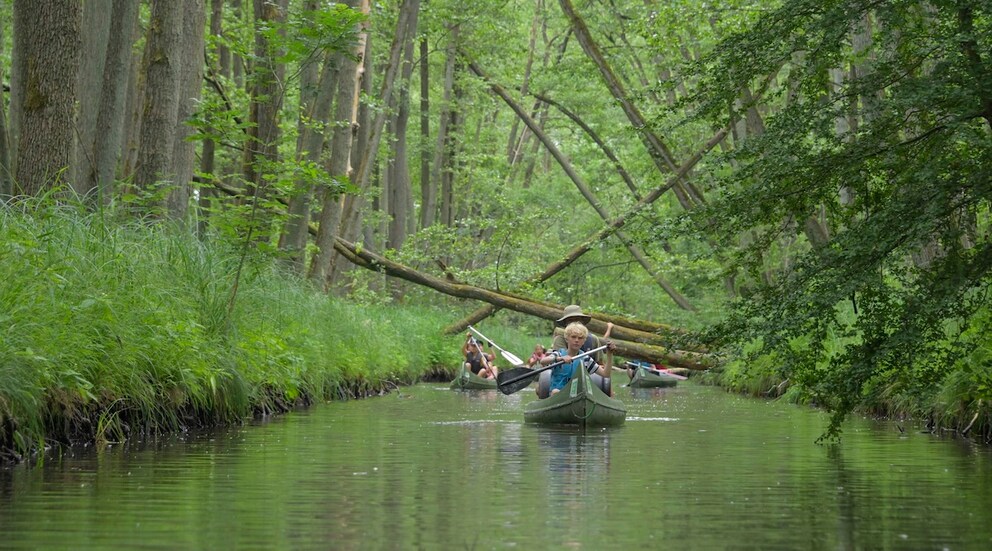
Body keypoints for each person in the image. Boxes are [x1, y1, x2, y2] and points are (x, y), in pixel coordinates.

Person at [540, 322, 614, 395]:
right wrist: (559, 359)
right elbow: (543, 361)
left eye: (580, 338)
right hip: (558, 393)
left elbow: (606, 374)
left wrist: (609, 355)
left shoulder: (586, 359)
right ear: (567, 339)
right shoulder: (558, 354)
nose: (576, 340)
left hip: (578, 395)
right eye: (573, 337)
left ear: (583, 341)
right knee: (555, 392)